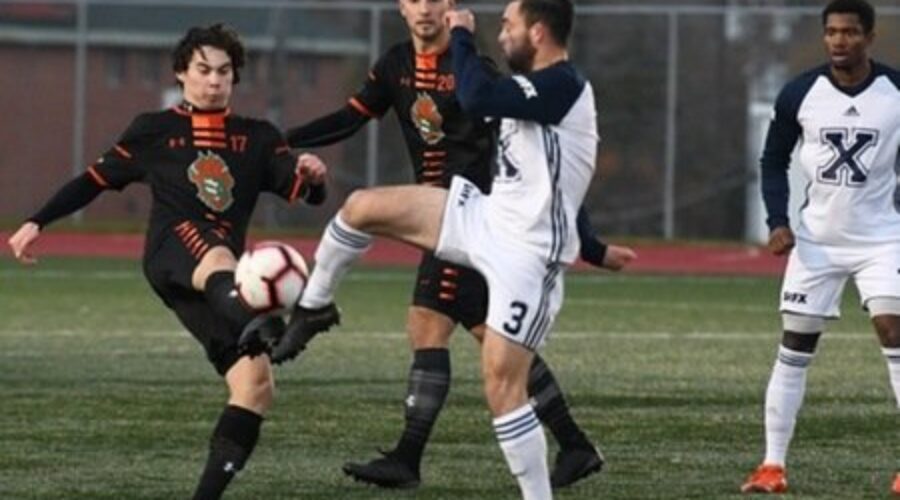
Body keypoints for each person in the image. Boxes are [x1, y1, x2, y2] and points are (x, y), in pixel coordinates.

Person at [284, 0, 634, 490]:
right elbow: (552, 180)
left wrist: (465, 37)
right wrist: (281, 142)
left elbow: (479, 102)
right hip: (480, 215)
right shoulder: (517, 87)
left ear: (536, 32)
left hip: (526, 254)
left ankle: (553, 462)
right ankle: (313, 307)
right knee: (362, 206)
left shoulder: (560, 86)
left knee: (499, 379)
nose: (501, 31)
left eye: (508, 24)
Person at [7, 24, 329, 500]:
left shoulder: (260, 138)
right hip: (171, 253)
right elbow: (93, 180)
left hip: (221, 286)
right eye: (203, 70)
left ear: (234, 79)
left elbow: (306, 193)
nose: (214, 81)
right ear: (182, 73)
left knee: (255, 385)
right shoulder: (153, 131)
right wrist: (38, 221)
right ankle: (271, 321)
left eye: (224, 72)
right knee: (217, 251)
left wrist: (314, 175)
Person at [740, 0, 900, 494]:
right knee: (795, 346)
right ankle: (772, 467)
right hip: (816, 242)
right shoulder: (799, 93)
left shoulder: (895, 92)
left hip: (882, 238)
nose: (838, 41)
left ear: (869, 37)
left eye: (849, 32)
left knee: (893, 330)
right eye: (831, 32)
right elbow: (772, 160)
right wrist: (777, 221)